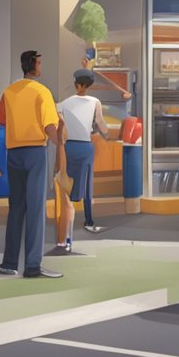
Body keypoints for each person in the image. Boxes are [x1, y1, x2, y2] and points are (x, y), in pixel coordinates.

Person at [0, 50, 64, 279]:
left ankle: (10, 262)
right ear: (34, 65)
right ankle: (32, 265)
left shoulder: (9, 91)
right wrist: (60, 138)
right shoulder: (42, 92)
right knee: (36, 210)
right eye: (40, 62)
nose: (41, 66)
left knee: (16, 208)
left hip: (13, 153)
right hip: (35, 153)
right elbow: (50, 127)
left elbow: (0, 120)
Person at [55, 69, 128, 250]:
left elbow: (55, 114)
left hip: (70, 146)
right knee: (87, 186)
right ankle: (88, 220)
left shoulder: (65, 103)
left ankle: (67, 232)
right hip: (86, 146)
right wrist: (107, 136)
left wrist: (63, 122)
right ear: (88, 86)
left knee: (67, 185)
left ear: (77, 85)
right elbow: (101, 123)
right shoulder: (95, 101)